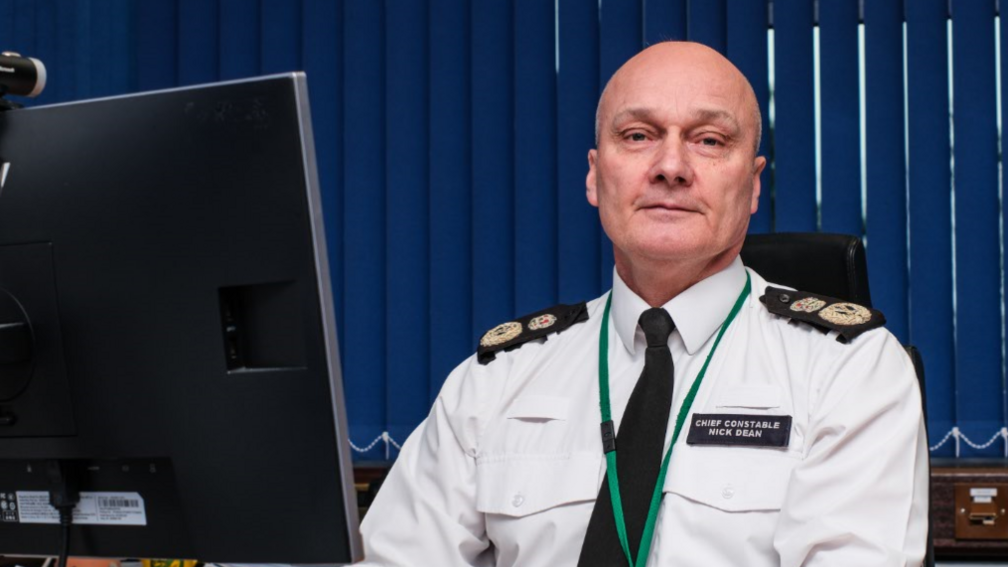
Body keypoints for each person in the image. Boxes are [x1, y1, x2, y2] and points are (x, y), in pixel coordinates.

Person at [357, 41, 928, 567]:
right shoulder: (496, 380)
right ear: (595, 175)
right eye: (637, 136)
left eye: (709, 140)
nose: (671, 166)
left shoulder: (851, 371)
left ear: (753, 187)